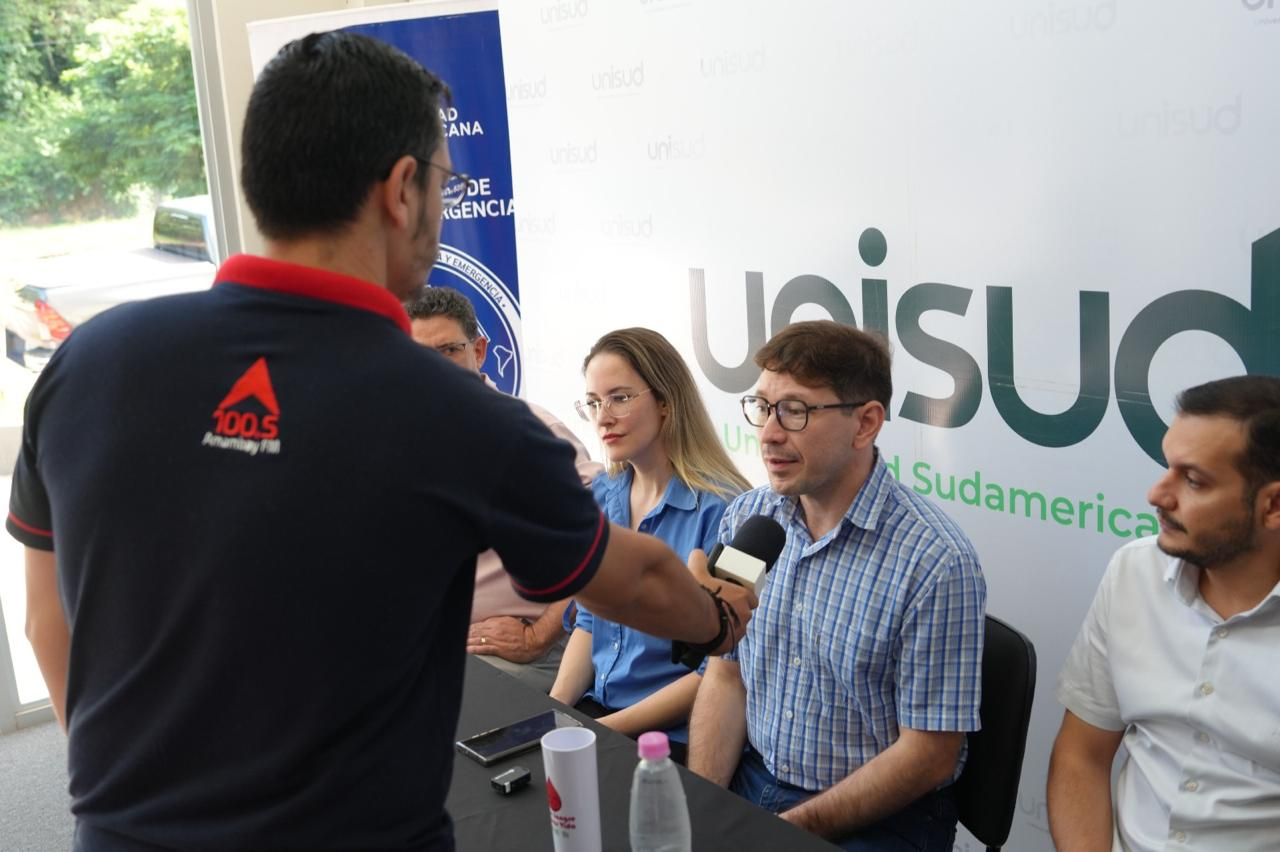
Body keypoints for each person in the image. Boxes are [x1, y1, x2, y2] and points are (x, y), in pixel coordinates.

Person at [10, 32, 753, 852]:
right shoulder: (459, 414)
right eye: (446, 181)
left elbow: (50, 616)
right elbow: (638, 581)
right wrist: (716, 621)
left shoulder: (92, 358)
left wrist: (119, 795)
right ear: (403, 189)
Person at [687, 320, 987, 851]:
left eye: (796, 412)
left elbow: (929, 754)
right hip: (753, 780)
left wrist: (782, 834)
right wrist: (705, 810)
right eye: (763, 408)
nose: (769, 434)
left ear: (866, 423)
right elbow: (726, 677)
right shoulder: (748, 520)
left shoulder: (936, 561)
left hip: (877, 817)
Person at [1048, 375, 1280, 852]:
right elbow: (1081, 756)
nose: (1158, 494)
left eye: (1193, 480)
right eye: (1167, 466)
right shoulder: (1134, 572)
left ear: (1273, 504)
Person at [548, 328, 750, 763]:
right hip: (597, 717)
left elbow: (717, 668)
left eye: (620, 398)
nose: (603, 417)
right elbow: (589, 622)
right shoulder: (603, 495)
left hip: (671, 740)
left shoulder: (728, 510)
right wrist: (554, 715)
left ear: (665, 401)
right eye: (594, 402)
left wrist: (594, 731)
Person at [405, 285, 602, 692]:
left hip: (517, 657)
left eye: (448, 352)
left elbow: (607, 536)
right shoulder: (401, 440)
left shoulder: (531, 434)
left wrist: (542, 633)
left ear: (478, 351)